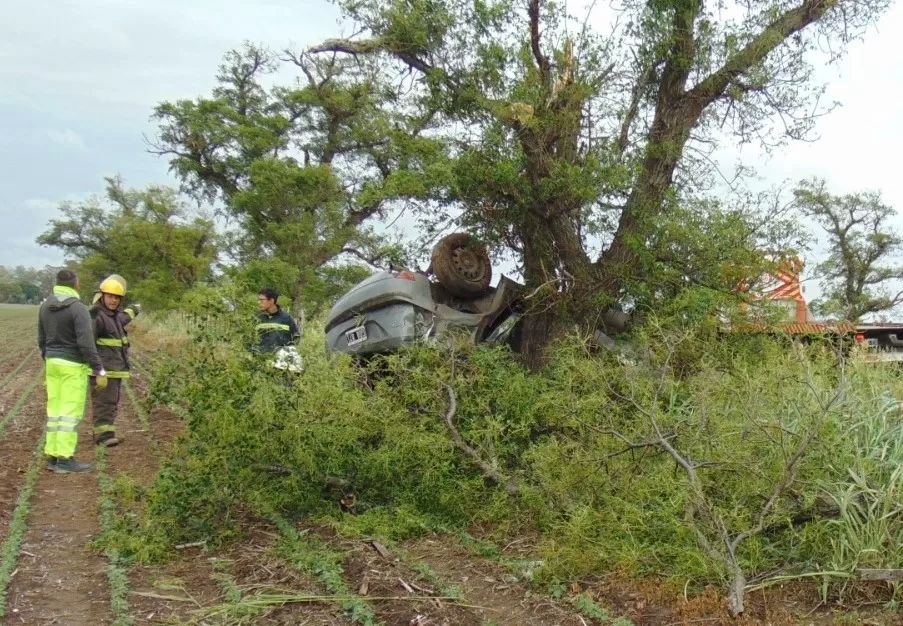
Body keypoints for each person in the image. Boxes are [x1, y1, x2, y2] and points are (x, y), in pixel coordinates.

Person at [37, 270, 106, 473]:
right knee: (69, 414)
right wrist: (98, 368)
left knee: (55, 411)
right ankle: (65, 459)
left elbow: (41, 338)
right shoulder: (77, 308)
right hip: (72, 366)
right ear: (76, 284)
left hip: (52, 362)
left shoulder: (45, 306)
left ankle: (52, 455)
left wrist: (48, 356)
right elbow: (86, 343)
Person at [90, 274, 140, 447]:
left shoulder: (111, 315)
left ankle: (106, 433)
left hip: (114, 368)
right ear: (102, 295)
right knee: (104, 402)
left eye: (117, 298)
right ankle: (103, 437)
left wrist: (133, 310)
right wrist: (98, 371)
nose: (114, 301)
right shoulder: (96, 316)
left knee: (111, 402)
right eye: (111, 296)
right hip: (105, 370)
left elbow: (122, 319)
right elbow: (88, 344)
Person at [254, 288, 301, 353]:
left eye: (262, 300)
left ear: (271, 300)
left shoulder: (286, 318)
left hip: (280, 360)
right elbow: (248, 340)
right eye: (258, 300)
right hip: (260, 360)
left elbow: (295, 338)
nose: (258, 302)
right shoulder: (256, 317)